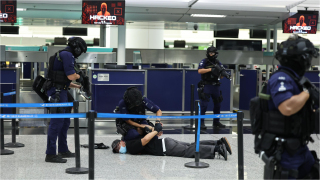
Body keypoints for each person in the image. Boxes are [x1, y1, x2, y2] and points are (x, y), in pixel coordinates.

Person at [259, 34, 319, 179]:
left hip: (299, 146)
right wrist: (306, 93)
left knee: (313, 171)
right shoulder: (281, 78)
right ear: (302, 59)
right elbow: (287, 108)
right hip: (285, 150)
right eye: (308, 58)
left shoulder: (296, 79)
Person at [44, 37, 87, 163]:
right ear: (77, 47)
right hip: (58, 93)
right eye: (81, 50)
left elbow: (63, 80)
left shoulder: (62, 54)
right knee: (57, 122)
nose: (80, 53)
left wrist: (78, 85)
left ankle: (63, 149)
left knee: (65, 121)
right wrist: (81, 76)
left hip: (62, 90)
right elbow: (71, 76)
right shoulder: (67, 55)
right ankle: (50, 154)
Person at [111, 123, 232, 160]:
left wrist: (155, 130)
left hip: (165, 147)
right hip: (166, 142)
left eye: (117, 146)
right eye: (116, 150)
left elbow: (145, 139)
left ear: (121, 142)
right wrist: (155, 130)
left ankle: (217, 149)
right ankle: (218, 142)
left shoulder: (131, 146)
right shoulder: (132, 140)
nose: (119, 149)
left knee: (187, 151)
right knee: (191, 145)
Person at [197, 46, 231, 128]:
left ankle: (216, 122)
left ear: (216, 54)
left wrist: (222, 74)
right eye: (209, 53)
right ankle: (201, 123)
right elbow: (200, 71)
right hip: (207, 85)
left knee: (218, 104)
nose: (211, 55)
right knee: (204, 105)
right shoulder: (204, 61)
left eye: (212, 53)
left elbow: (221, 75)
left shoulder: (218, 62)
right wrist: (211, 70)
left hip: (216, 86)